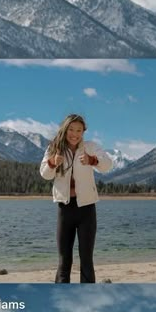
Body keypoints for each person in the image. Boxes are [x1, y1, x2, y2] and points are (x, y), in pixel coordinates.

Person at [40, 113, 113, 283]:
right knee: (64, 261)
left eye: (79, 130)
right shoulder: (54, 148)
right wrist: (52, 162)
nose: (75, 134)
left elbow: (108, 165)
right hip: (64, 210)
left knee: (86, 259)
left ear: (83, 132)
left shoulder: (90, 147)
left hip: (87, 210)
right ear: (65, 130)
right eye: (71, 129)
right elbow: (44, 174)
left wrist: (92, 160)